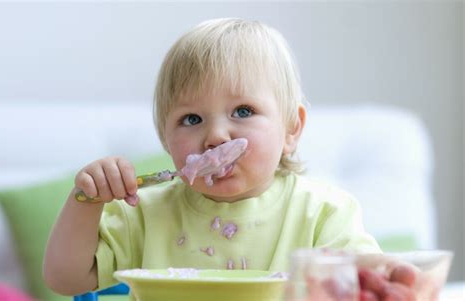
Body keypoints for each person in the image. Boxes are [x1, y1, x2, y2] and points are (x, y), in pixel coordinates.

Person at [43, 18, 416, 300]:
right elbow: (66, 279)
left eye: (242, 111)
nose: (216, 135)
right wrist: (85, 202)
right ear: (166, 140)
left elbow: (366, 285)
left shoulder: (323, 213)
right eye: (191, 119)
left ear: (291, 129)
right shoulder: (144, 212)